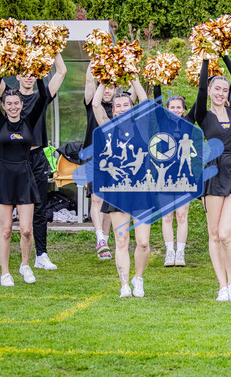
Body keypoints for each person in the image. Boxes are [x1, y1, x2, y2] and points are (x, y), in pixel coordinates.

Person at [0, 55, 67, 271]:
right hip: (11, 160)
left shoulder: (41, 97)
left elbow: (61, 72)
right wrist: (6, 50)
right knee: (4, 209)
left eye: (32, 73)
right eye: (25, 73)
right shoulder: (10, 96)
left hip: (36, 158)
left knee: (39, 208)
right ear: (17, 76)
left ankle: (41, 254)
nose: (29, 77)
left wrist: (53, 48)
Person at [194, 56, 231, 302]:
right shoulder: (203, 114)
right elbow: (200, 89)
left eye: (224, 89)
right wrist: (205, 59)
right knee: (215, 233)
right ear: (210, 91)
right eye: (216, 89)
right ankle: (222, 286)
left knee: (227, 233)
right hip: (214, 172)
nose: (221, 93)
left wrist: (224, 54)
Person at [0, 75, 47, 286]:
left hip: (24, 178)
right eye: (9, 103)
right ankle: (5, 272)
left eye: (16, 103)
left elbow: (43, 97)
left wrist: (39, 75)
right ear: (3, 106)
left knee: (26, 230)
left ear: (22, 104)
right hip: (3, 178)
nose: (13, 107)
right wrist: (0, 71)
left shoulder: (29, 122)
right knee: (5, 230)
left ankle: (25, 265)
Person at [92, 79, 150, 298]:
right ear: (114, 110)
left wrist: (134, 76)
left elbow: (144, 100)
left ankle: (138, 278)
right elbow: (96, 105)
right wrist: (104, 78)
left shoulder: (141, 126)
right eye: (118, 106)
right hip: (117, 191)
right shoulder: (108, 128)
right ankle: (125, 284)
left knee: (143, 242)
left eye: (126, 105)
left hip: (141, 190)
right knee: (121, 240)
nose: (123, 108)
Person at [83, 61, 114, 260]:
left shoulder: (120, 106)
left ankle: (106, 242)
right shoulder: (92, 103)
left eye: (111, 86)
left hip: (114, 159)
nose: (107, 90)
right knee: (97, 198)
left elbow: (135, 93)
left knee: (109, 201)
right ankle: (100, 237)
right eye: (104, 86)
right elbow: (88, 80)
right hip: (93, 156)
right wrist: (96, 58)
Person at [158, 93, 192, 267]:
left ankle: (180, 253)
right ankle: (169, 252)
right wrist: (156, 81)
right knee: (167, 216)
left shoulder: (189, 123)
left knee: (181, 215)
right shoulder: (162, 122)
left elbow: (201, 99)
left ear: (184, 109)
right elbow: (157, 98)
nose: (176, 110)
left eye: (179, 107)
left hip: (183, 174)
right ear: (167, 109)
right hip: (165, 174)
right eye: (172, 107)